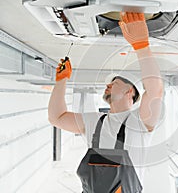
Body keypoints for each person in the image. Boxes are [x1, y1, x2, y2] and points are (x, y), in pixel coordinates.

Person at [48, 12, 164, 192]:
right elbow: (57, 117)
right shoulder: (95, 121)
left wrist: (142, 46)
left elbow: (155, 91)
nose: (108, 85)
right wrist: (61, 80)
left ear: (129, 91)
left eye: (114, 83)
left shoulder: (139, 122)